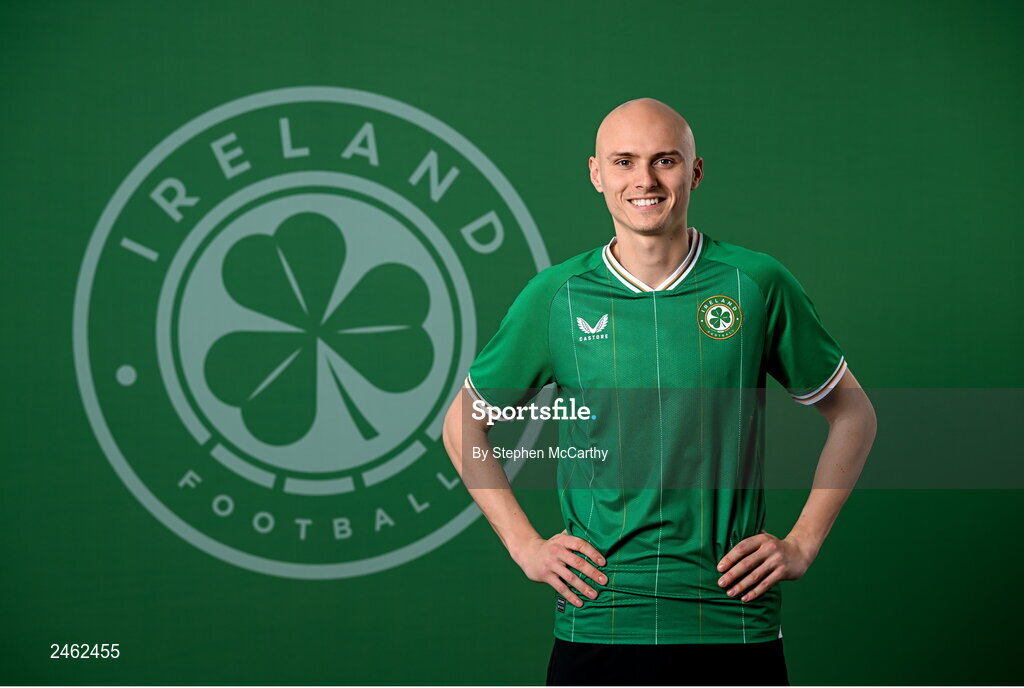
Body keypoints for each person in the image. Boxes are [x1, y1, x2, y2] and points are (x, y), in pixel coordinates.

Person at [442, 98, 877, 686]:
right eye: (623, 161)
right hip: (601, 618)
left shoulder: (757, 283)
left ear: (695, 171)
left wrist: (802, 542)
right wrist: (525, 545)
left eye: (664, 160)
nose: (644, 180)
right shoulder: (557, 297)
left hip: (731, 617)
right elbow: (462, 424)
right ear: (596, 173)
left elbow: (853, 413)